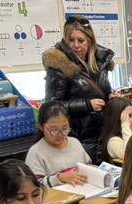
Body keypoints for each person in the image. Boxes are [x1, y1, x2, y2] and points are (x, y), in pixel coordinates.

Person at [43, 15, 115, 162]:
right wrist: (86, 105)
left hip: (102, 137)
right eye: (71, 40)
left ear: (89, 40)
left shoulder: (100, 62)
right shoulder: (59, 67)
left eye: (81, 40)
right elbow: (52, 107)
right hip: (78, 140)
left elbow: (102, 92)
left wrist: (111, 98)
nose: (76, 45)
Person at [25, 100, 92, 188]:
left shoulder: (75, 142)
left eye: (65, 128)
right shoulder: (36, 152)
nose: (60, 134)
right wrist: (61, 178)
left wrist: (94, 170)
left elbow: (88, 166)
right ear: (40, 126)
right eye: (53, 130)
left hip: (83, 191)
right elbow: (35, 185)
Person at [101, 97, 132, 162]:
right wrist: (125, 125)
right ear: (117, 119)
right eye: (129, 116)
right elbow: (130, 153)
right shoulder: (113, 142)